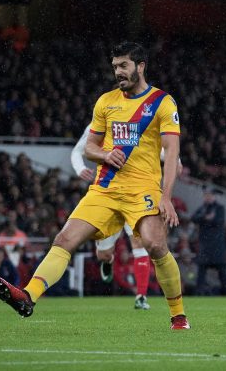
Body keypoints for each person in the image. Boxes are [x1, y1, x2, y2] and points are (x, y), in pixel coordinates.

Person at [0, 42, 190, 329]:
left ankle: (178, 316)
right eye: (114, 67)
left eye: (123, 66)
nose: (118, 72)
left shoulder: (163, 102)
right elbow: (90, 148)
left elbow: (172, 153)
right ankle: (27, 296)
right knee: (64, 239)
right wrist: (105, 154)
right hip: (104, 189)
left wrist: (167, 196)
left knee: (155, 244)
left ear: (141, 66)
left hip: (143, 190)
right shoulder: (105, 102)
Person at [71, 123, 183, 310]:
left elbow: (160, 149)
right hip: (109, 197)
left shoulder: (138, 124)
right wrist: (80, 169)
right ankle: (108, 261)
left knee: (140, 244)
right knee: (104, 254)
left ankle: (141, 296)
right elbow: (78, 151)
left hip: (136, 198)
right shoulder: (100, 124)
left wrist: (177, 161)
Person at [191, 190, 226, 295]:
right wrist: (206, 218)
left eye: (210, 195)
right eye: (206, 195)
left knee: (223, 274)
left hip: (217, 245)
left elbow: (219, 220)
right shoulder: (202, 208)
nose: (208, 197)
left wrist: (204, 219)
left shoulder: (220, 208)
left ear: (214, 196)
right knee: (201, 272)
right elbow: (193, 218)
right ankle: (199, 294)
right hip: (205, 246)